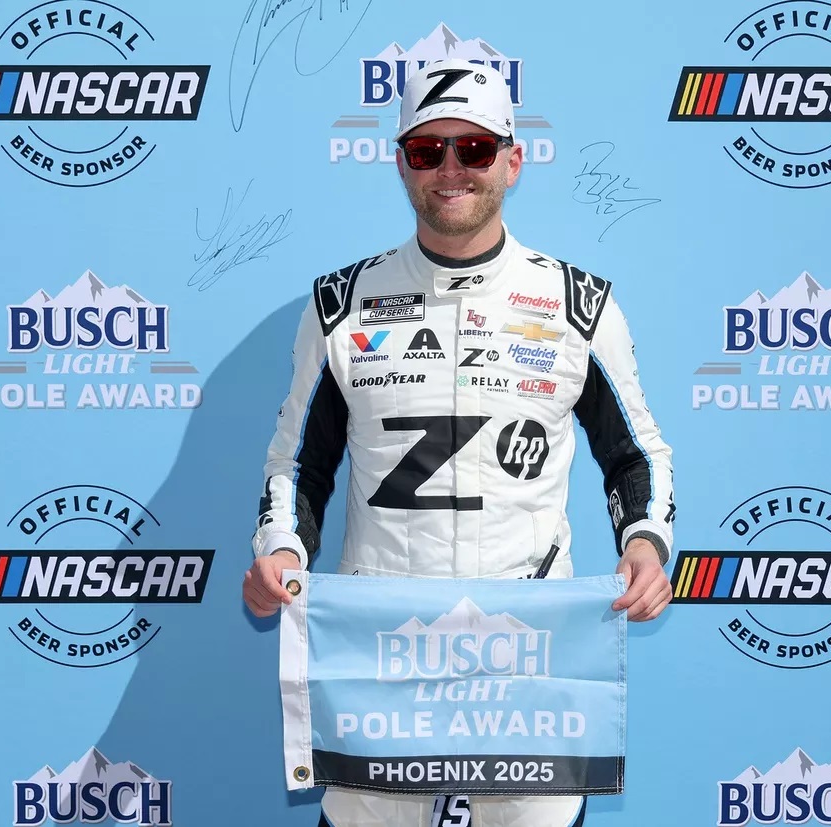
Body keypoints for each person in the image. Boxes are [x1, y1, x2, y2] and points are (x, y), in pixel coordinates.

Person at [243, 58, 675, 827]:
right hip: (380, 673)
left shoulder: (579, 304)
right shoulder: (342, 303)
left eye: (473, 148)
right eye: (427, 149)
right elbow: (299, 464)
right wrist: (281, 548)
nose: (450, 169)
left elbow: (634, 456)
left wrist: (645, 542)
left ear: (513, 157)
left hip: (525, 676)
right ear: (401, 162)